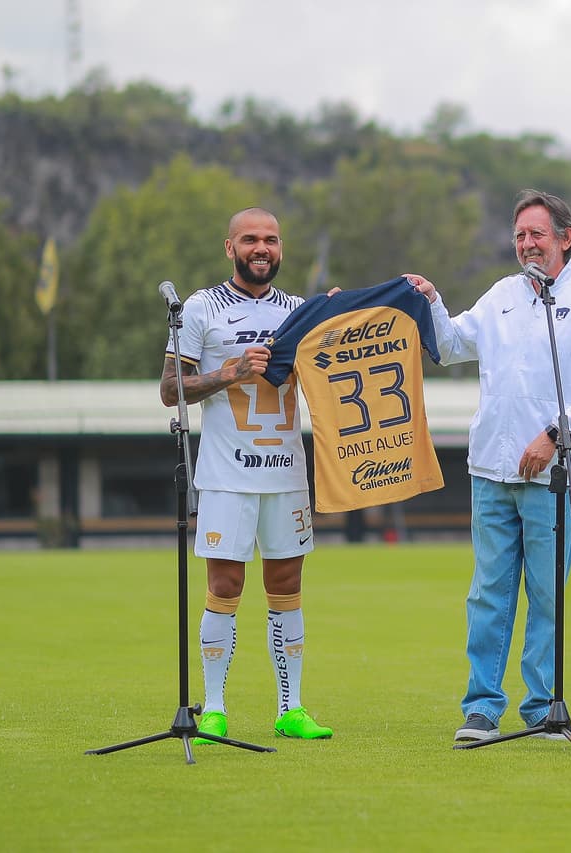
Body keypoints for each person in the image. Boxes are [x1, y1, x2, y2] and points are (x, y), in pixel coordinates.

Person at [404, 189, 571, 743]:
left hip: (555, 475)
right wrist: (431, 300)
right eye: (519, 236)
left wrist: (557, 433)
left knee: (547, 595)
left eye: (536, 234)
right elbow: (453, 344)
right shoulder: (502, 294)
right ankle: (481, 707)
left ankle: (542, 709)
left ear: (565, 238)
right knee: (488, 592)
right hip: (490, 469)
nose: (526, 244)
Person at [160, 207, 333, 744]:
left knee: (287, 587)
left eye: (272, 240)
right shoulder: (200, 308)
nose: (263, 248)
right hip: (225, 475)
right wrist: (230, 371)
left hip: (286, 473)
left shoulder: (300, 311)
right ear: (229, 247)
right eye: (251, 239)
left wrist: (345, 317)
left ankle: (292, 706)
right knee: (224, 586)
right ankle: (213, 707)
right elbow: (170, 390)